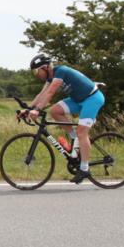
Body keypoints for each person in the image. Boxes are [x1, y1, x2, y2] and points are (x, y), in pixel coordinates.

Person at [25, 54, 105, 184]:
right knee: (55, 111)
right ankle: (74, 139)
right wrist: (29, 109)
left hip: (92, 99)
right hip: (78, 100)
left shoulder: (60, 72)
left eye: (37, 71)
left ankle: (84, 169)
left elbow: (50, 94)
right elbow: (42, 94)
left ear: (45, 68)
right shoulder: (50, 78)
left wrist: (37, 110)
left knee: (82, 132)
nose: (36, 74)